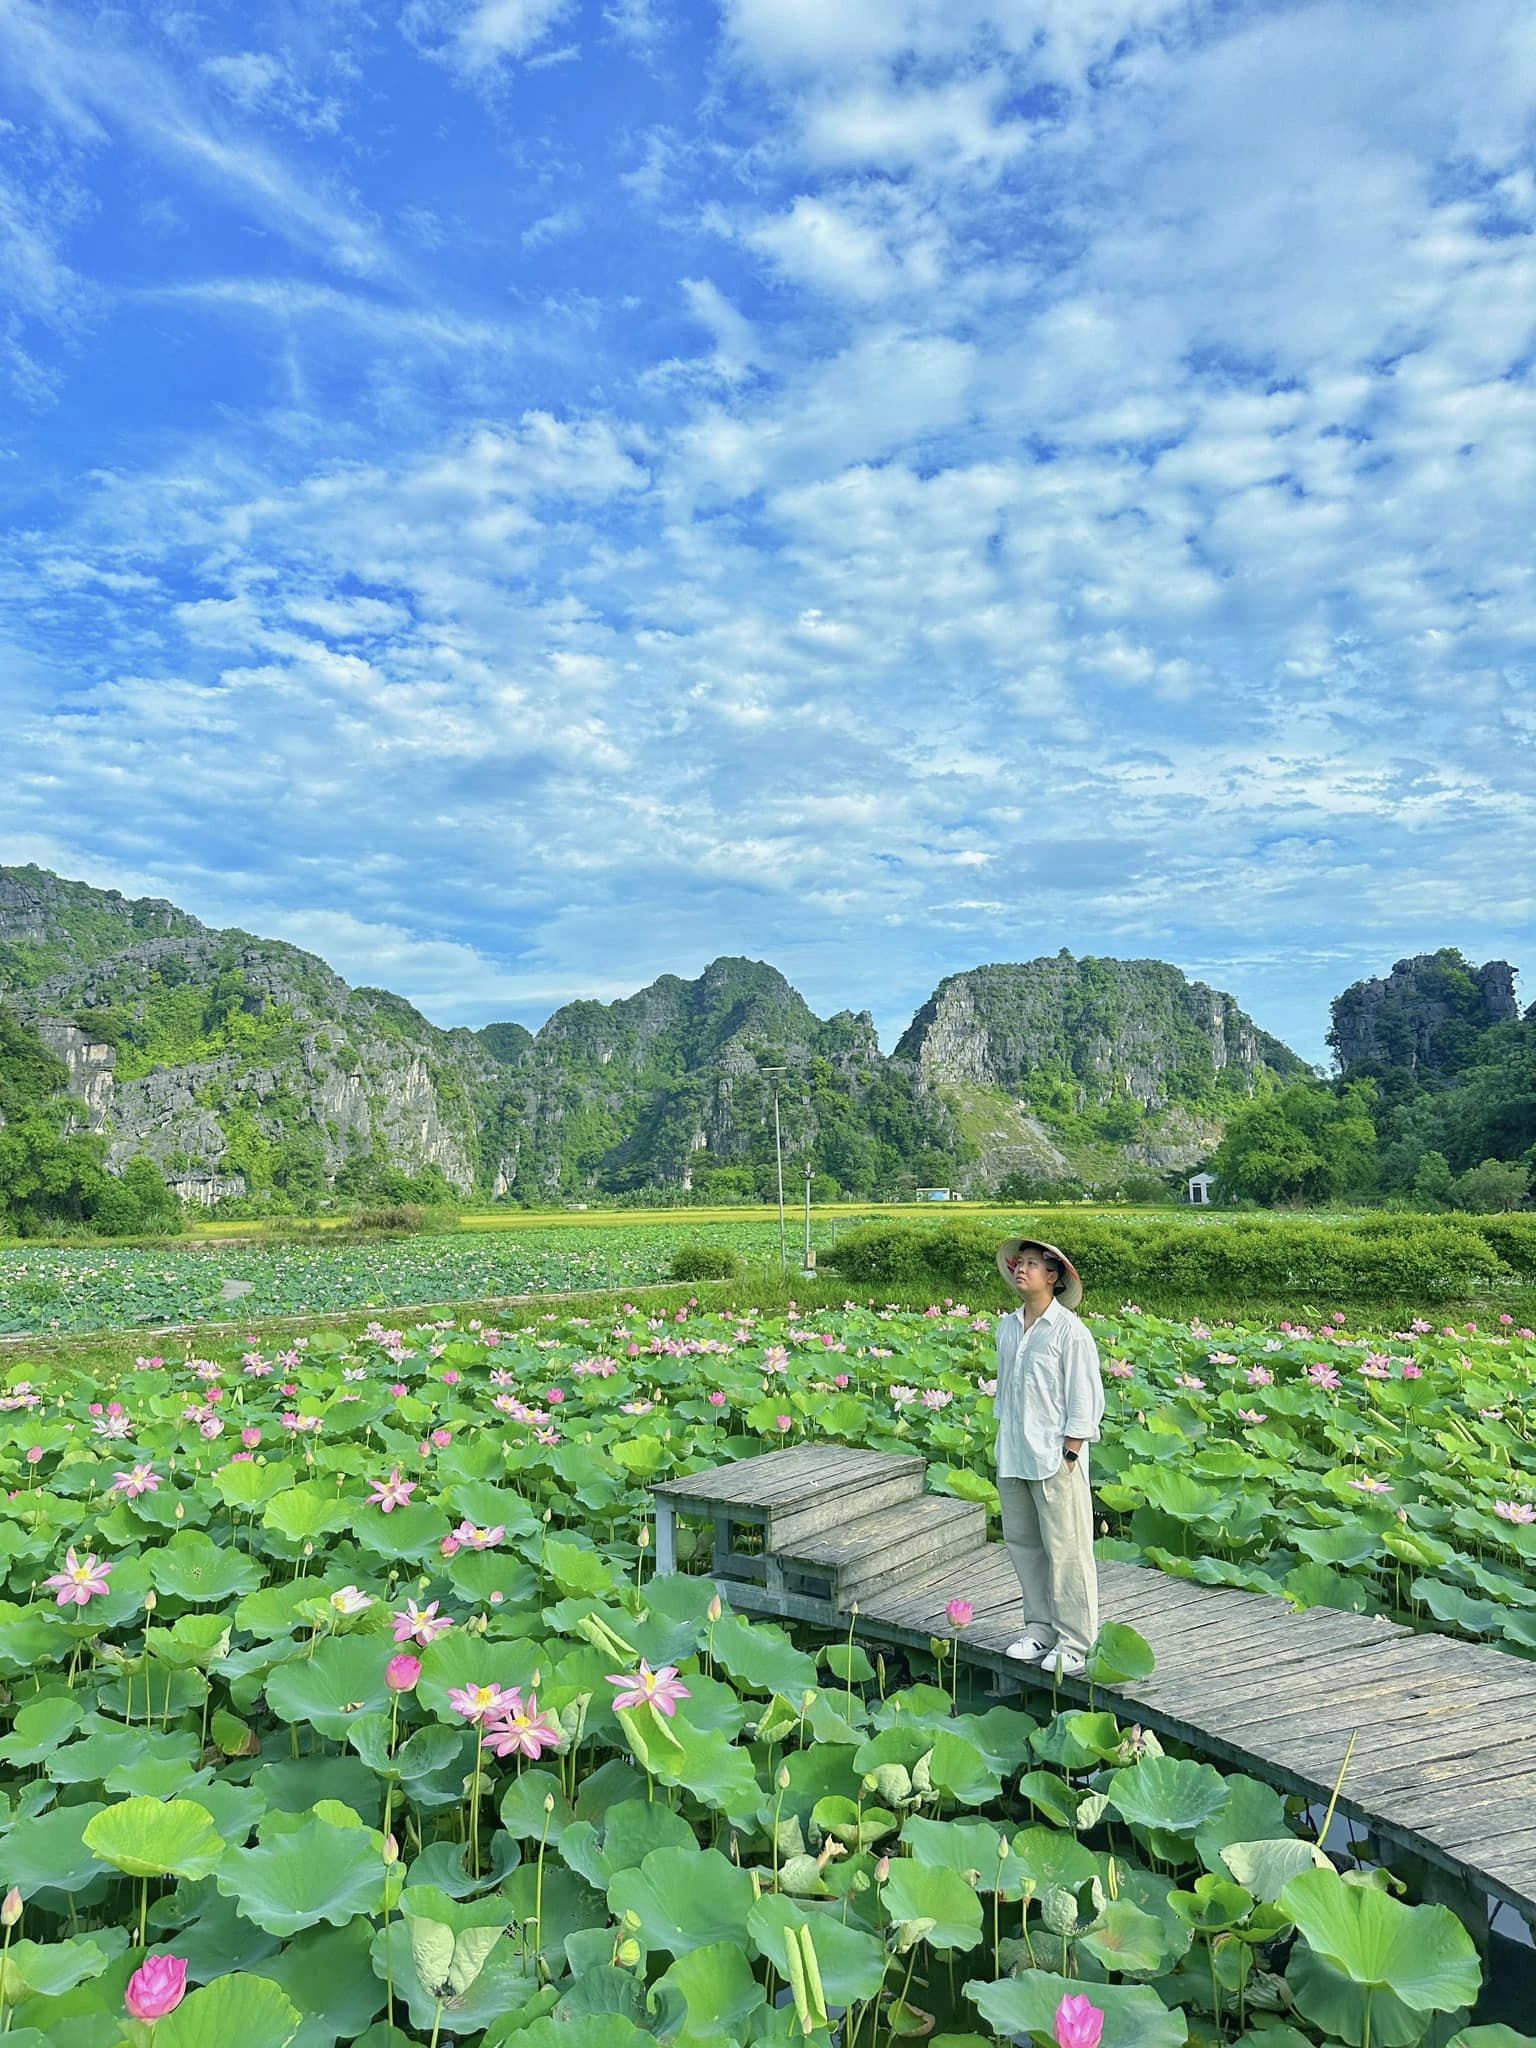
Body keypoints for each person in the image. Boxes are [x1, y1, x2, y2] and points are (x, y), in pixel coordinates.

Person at [992, 1235, 1105, 1679]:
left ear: (1053, 1278)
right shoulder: (1006, 1327)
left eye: (1034, 1265)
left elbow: (1084, 1398)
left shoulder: (1070, 1332)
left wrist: (1072, 1453)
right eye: (1019, 1263)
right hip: (1014, 1453)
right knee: (1024, 1545)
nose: (1022, 1270)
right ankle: (1039, 1628)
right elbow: (1006, 1392)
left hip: (1057, 1456)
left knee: (1068, 1549)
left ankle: (1076, 1641)